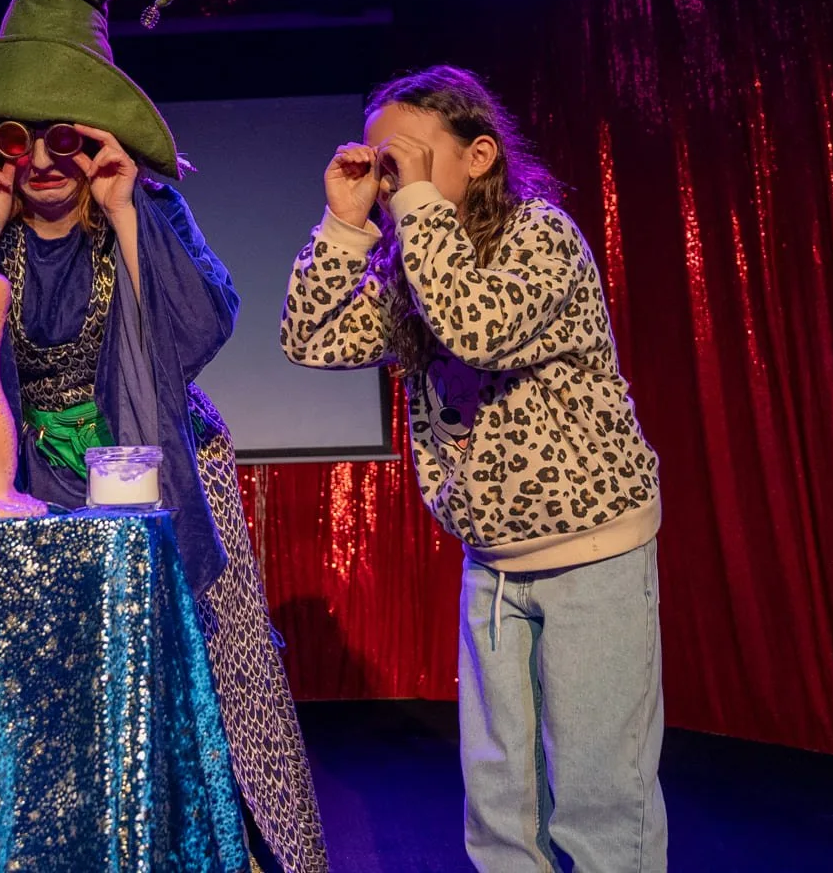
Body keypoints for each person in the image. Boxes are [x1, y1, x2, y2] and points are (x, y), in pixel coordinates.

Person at [0, 0, 329, 873]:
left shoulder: (148, 211)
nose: (45, 159)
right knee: (43, 709)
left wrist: (126, 212)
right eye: (21, 137)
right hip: (22, 499)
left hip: (160, 481)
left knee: (189, 695)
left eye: (70, 137)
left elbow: (197, 327)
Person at [281, 66, 666, 873]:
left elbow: (476, 329)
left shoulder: (541, 236)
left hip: (591, 548)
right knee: (499, 804)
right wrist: (344, 224)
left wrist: (417, 208)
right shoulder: (412, 263)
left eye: (405, 159)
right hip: (492, 561)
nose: (390, 178)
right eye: (382, 163)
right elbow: (310, 340)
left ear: (480, 155)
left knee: (598, 796)